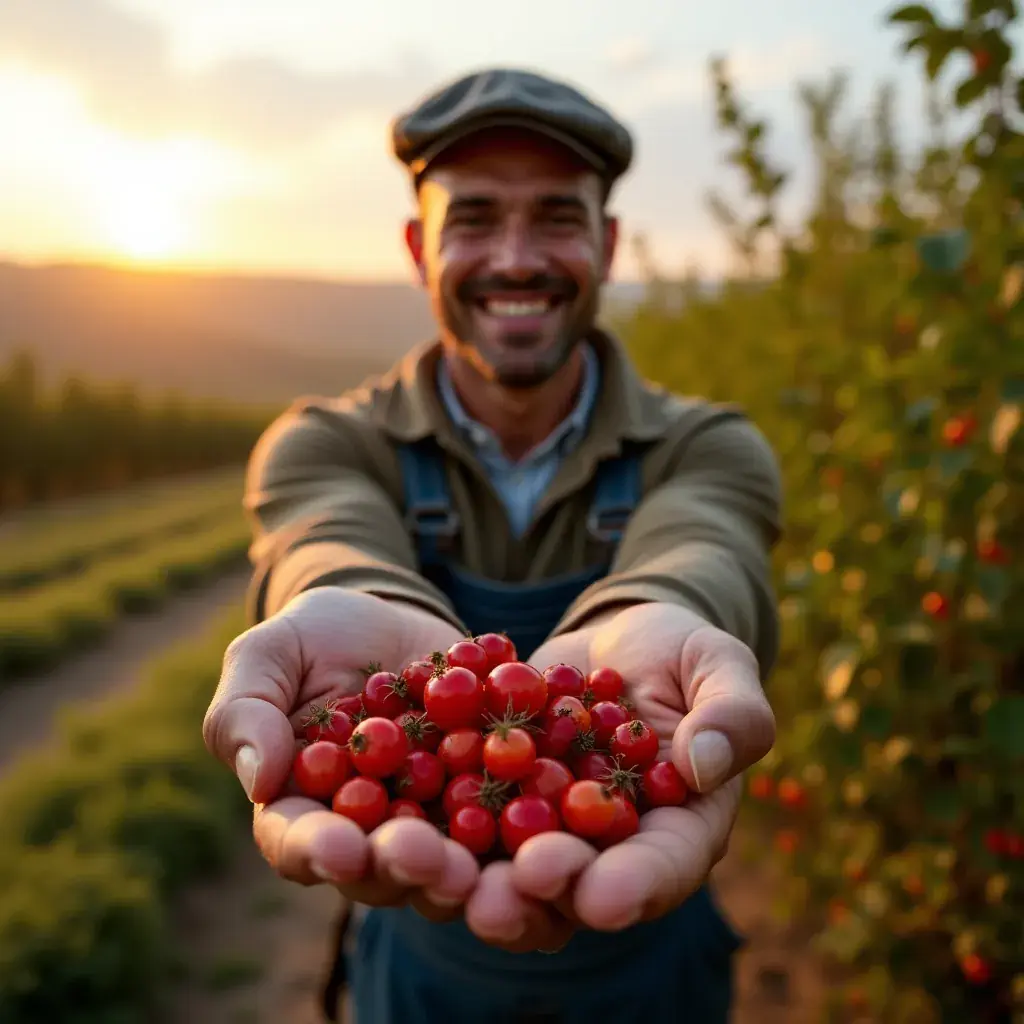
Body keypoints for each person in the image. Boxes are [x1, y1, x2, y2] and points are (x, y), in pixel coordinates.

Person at [202, 66, 783, 1024]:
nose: (516, 257)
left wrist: (666, 614)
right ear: (417, 247)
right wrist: (349, 599)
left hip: (653, 972)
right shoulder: (324, 444)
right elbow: (325, 539)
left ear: (605, 243)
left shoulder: (709, 446)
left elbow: (704, 548)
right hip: (419, 973)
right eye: (472, 217)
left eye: (556, 217)